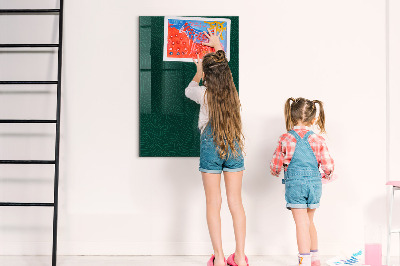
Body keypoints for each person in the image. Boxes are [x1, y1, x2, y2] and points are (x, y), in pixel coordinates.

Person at [185, 28, 248, 266]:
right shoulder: (233, 93)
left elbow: (188, 90)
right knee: (236, 202)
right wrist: (219, 46)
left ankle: (220, 258)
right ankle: (240, 257)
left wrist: (199, 71)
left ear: (208, 77)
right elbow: (225, 70)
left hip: (210, 147)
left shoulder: (203, 94)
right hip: (233, 145)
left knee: (214, 203)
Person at [270, 98, 335, 266]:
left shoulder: (285, 138)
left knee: (301, 224)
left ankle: (304, 261)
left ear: (291, 117)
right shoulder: (318, 139)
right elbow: (328, 165)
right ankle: (315, 260)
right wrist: (327, 176)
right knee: (309, 222)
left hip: (295, 186)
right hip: (314, 185)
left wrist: (275, 171)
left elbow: (275, 164)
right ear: (313, 120)